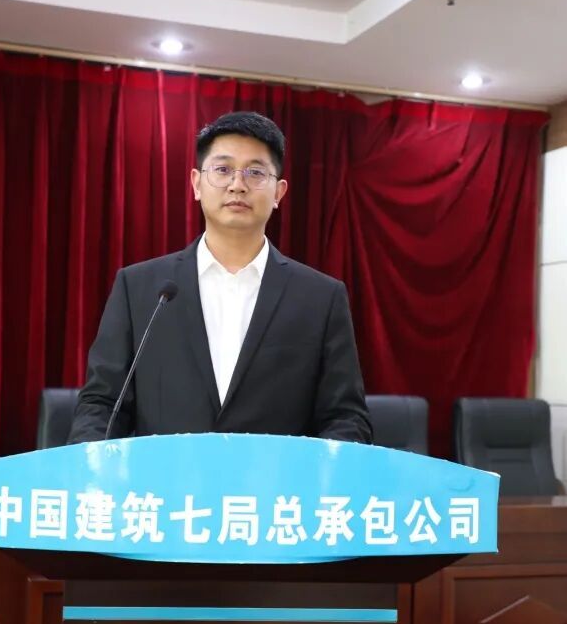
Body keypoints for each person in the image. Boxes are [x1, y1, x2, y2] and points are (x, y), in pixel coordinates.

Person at [68, 111, 372, 443]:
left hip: (276, 478)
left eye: (255, 172)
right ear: (197, 184)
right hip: (165, 476)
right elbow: (101, 404)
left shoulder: (320, 298)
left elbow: (345, 418)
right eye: (223, 170)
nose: (237, 185)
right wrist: (91, 467)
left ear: (278, 193)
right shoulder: (141, 288)